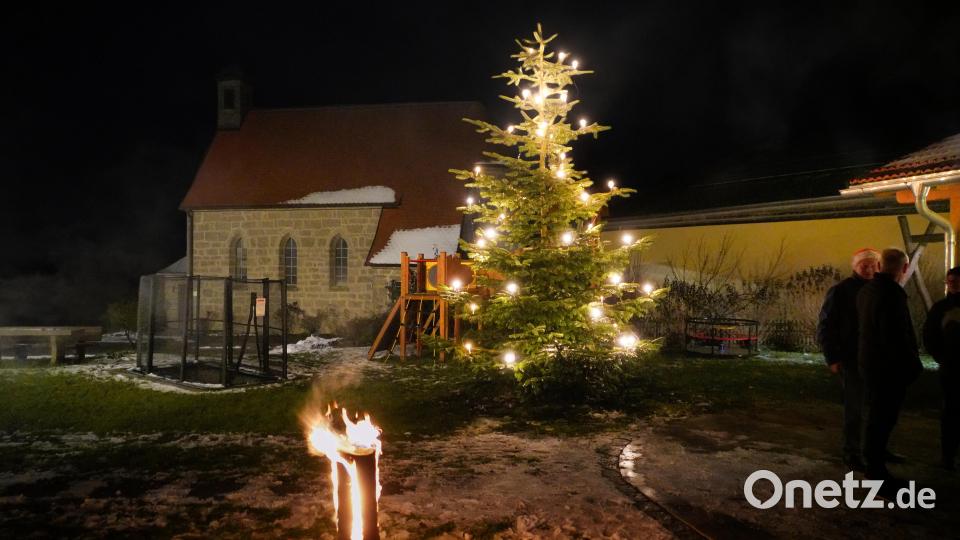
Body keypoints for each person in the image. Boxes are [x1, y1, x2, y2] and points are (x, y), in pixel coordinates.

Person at [857, 248, 922, 486]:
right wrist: (910, 366)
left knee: (877, 415)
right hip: (887, 369)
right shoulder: (891, 295)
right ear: (904, 268)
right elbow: (896, 337)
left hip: (871, 364)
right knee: (882, 417)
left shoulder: (867, 290)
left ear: (879, 266)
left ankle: (876, 456)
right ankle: (875, 469)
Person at [817, 248, 880, 471]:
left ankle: (875, 448)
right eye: (865, 264)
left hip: (877, 360)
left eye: (873, 264)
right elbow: (826, 325)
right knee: (854, 410)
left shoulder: (879, 290)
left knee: (876, 408)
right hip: (851, 358)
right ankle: (851, 451)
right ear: (855, 266)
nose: (869, 268)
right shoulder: (841, 291)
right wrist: (832, 357)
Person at [922, 266, 960, 470]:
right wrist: (942, 357)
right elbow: (929, 335)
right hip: (951, 369)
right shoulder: (940, 308)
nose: (952, 285)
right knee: (951, 413)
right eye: (950, 281)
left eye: (956, 281)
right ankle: (948, 456)